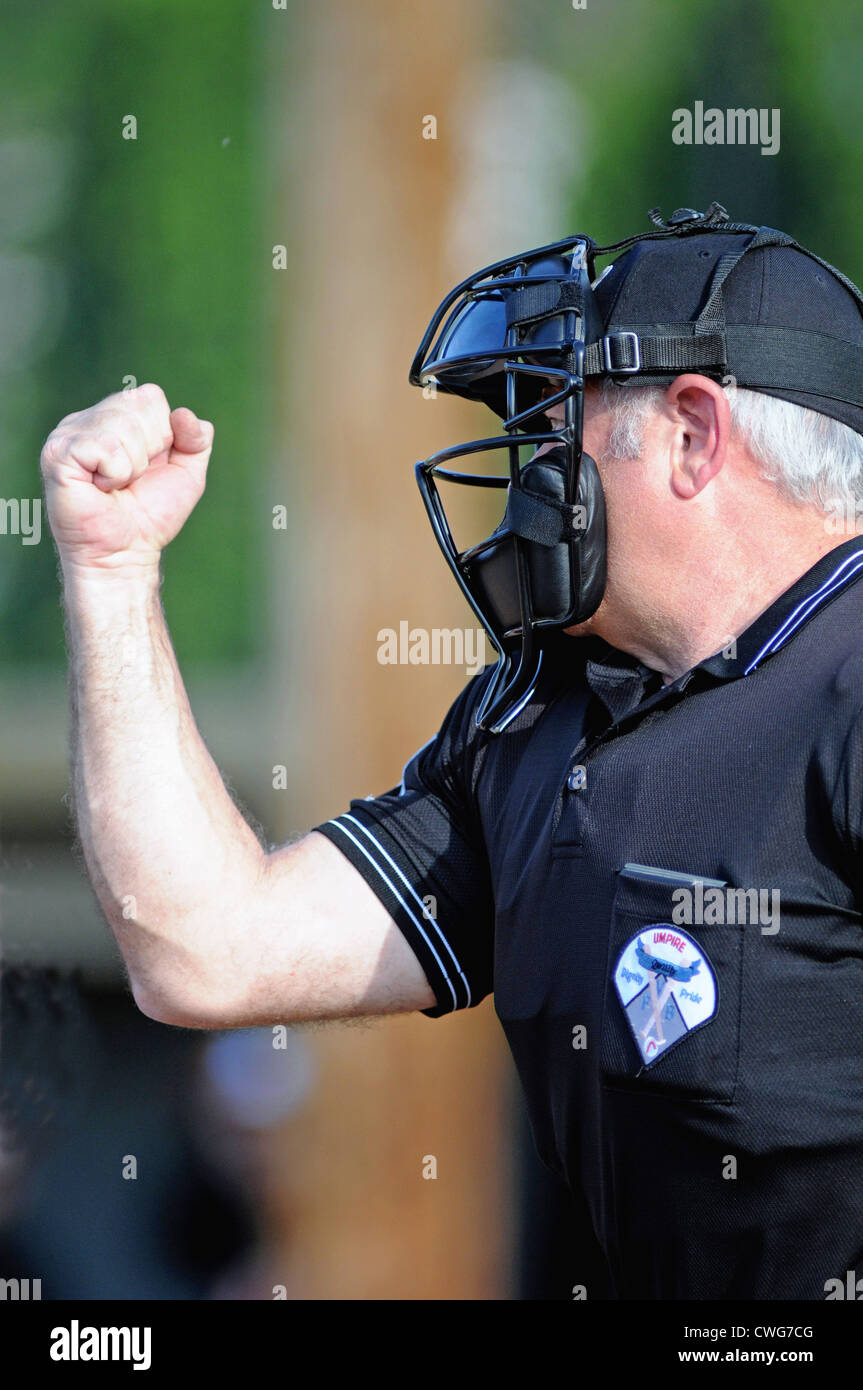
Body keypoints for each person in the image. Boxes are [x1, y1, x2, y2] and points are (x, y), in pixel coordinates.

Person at [40, 206, 863, 1299]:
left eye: (560, 422)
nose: (532, 473)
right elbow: (205, 947)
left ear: (691, 433)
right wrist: (111, 574)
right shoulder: (534, 727)